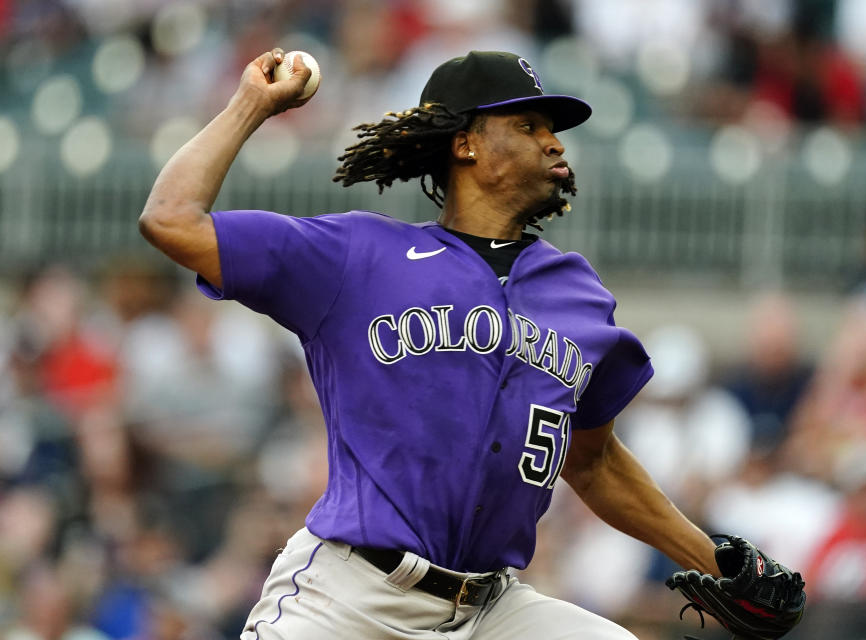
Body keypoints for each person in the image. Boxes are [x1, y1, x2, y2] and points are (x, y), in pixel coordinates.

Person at [139, 48, 721, 639]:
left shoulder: (579, 295)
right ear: (465, 144)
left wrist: (713, 563)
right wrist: (251, 105)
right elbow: (171, 220)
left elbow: (593, 461)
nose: (555, 143)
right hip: (354, 594)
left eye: (552, 129)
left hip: (489, 608)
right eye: (529, 126)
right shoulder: (355, 257)